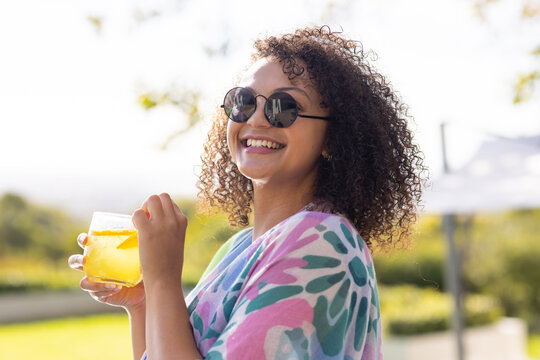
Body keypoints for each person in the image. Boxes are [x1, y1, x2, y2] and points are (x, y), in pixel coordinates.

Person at [69, 25, 426, 359]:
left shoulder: (321, 242)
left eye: (285, 107)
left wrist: (164, 280)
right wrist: (145, 302)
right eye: (243, 101)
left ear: (332, 140)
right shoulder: (239, 246)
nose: (256, 119)